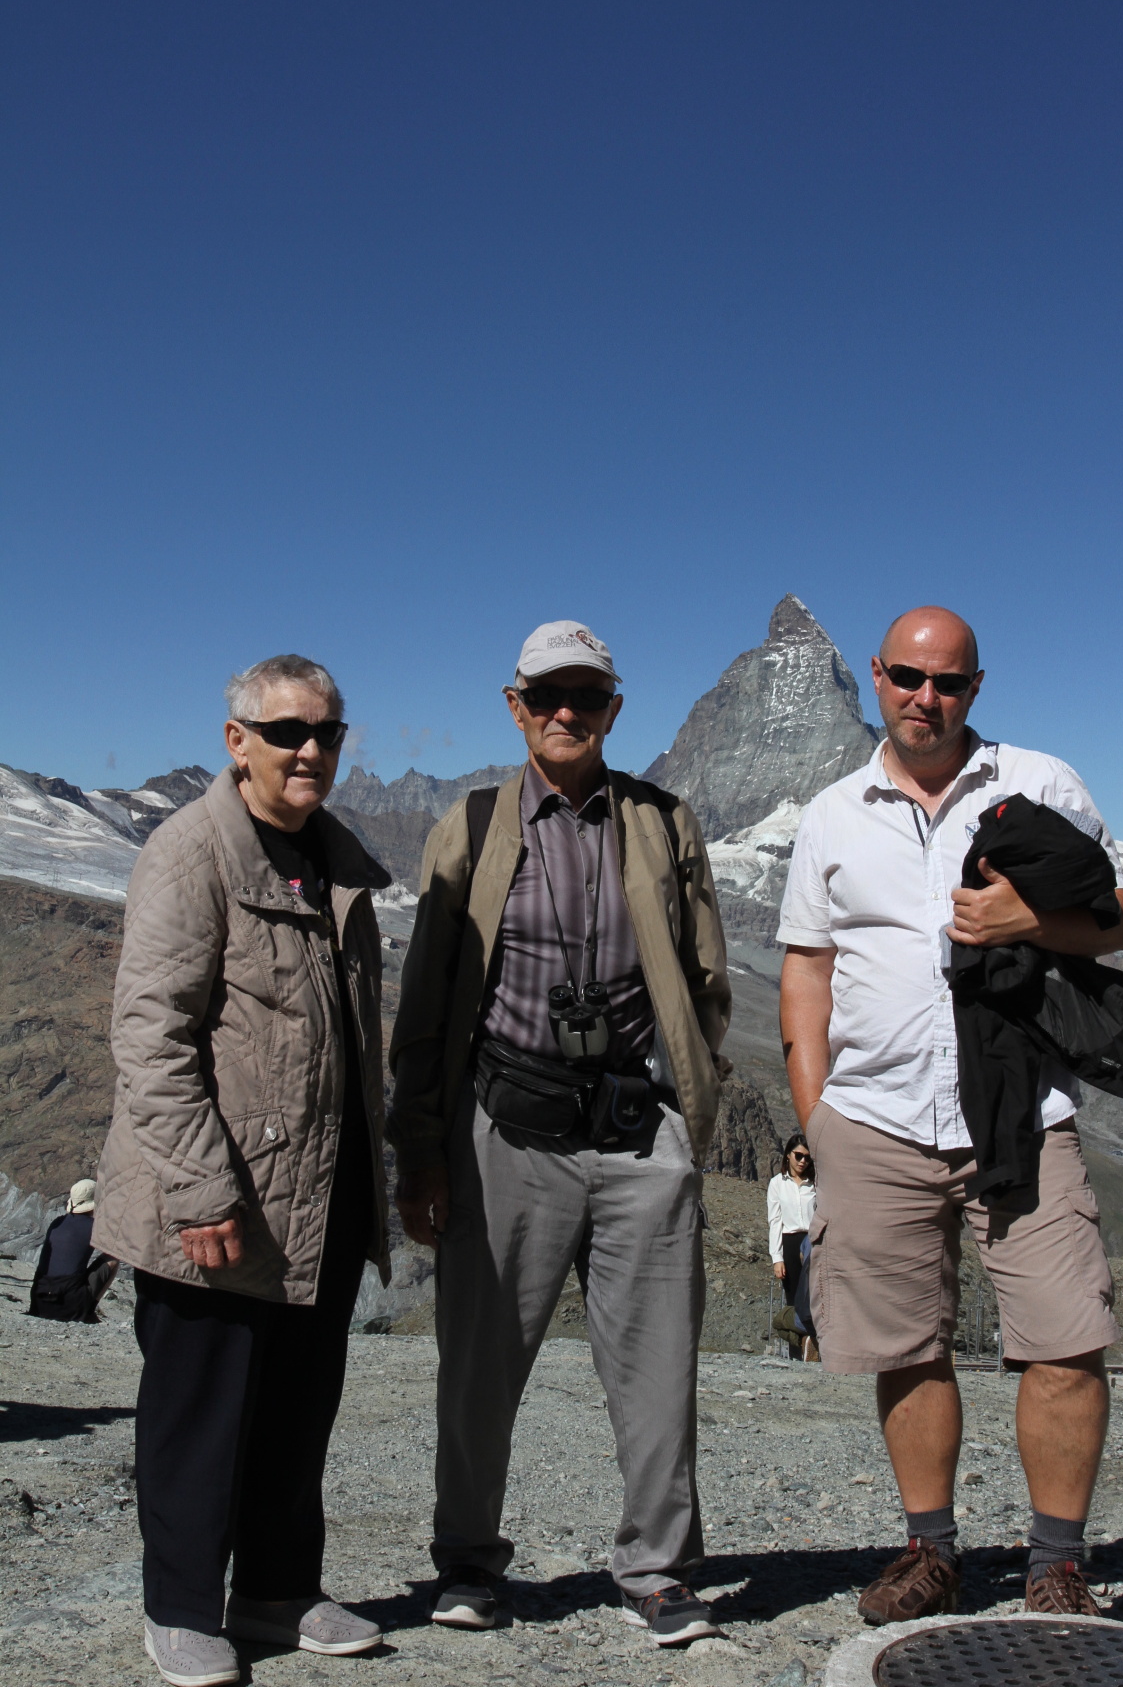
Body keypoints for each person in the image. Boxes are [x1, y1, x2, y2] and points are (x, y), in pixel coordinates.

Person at [777, 606, 1123, 1624]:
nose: (924, 697)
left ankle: (1056, 1566)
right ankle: (929, 1552)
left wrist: (1033, 919)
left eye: (947, 681)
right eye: (907, 676)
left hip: (1023, 1114)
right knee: (905, 1347)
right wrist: (818, 1114)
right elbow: (806, 967)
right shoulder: (831, 814)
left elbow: (1119, 917)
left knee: (1066, 1338)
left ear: (976, 688)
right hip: (873, 1120)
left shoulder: (1040, 782)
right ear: (878, 677)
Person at [389, 620, 732, 1649]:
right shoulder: (473, 825)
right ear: (516, 708)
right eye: (547, 696)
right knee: (478, 1365)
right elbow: (426, 1001)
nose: (567, 712)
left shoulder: (664, 822)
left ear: (614, 709)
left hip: (636, 1131)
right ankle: (466, 1563)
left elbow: (706, 980)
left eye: (586, 695)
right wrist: (422, 1149)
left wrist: (685, 1099)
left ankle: (660, 1572)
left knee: (660, 1370)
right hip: (507, 1132)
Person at [93, 654, 390, 1686]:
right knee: (199, 1409)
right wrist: (201, 1188)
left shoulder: (334, 860)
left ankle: (276, 1591)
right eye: (286, 732)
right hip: (220, 1197)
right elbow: (151, 1037)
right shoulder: (190, 853)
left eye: (326, 732)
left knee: (298, 1403)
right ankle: (180, 1607)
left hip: (320, 1191)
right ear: (238, 741)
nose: (310, 750)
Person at [29, 1178, 119, 1322]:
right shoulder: (94, 1227)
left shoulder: (57, 1222)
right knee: (112, 1259)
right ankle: (88, 1310)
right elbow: (117, 1246)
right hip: (70, 1303)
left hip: (39, 1301)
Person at [766, 1135, 817, 1360]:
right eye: (798, 1156)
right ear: (788, 1155)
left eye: (807, 1157)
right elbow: (775, 1221)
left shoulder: (815, 1183)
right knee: (794, 1299)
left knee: (815, 1296)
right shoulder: (777, 1183)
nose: (803, 1161)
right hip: (789, 1242)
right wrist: (777, 1258)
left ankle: (815, 1347)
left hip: (812, 1243)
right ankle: (797, 1354)